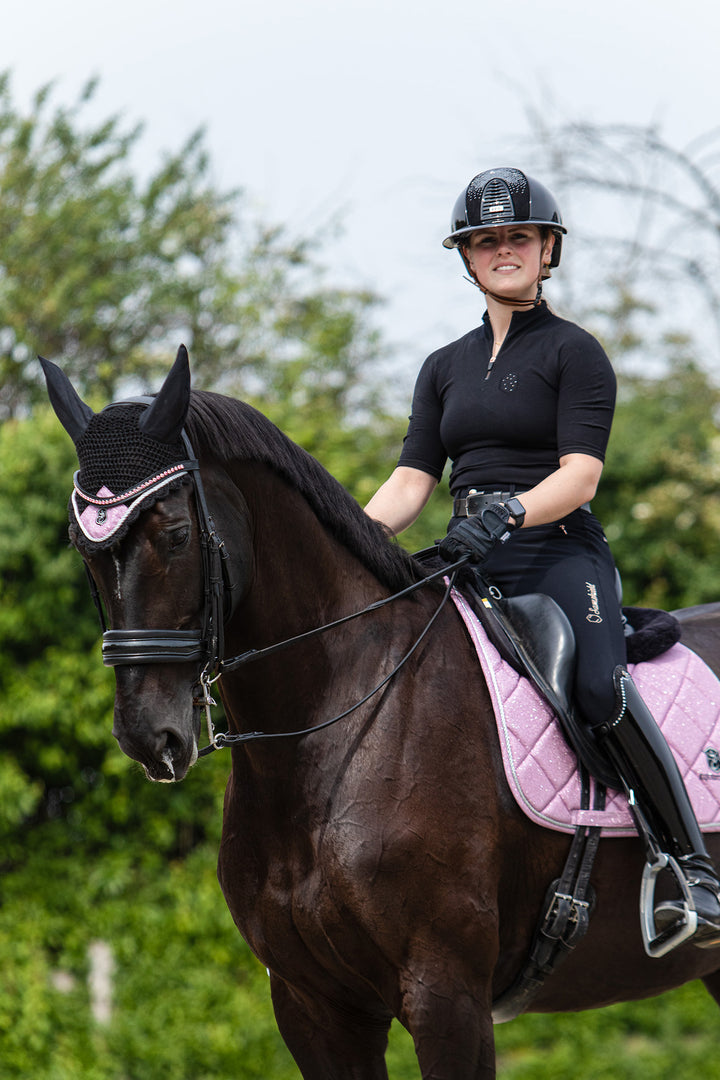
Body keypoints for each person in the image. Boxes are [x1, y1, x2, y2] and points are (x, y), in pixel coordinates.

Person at [365, 166, 720, 948]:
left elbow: (581, 474)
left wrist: (512, 511)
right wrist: (351, 537)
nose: (502, 250)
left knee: (598, 684)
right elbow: (411, 481)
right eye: (485, 240)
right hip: (467, 555)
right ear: (467, 257)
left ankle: (690, 871)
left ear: (547, 248)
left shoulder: (575, 352)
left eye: (517, 237)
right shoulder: (443, 366)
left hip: (557, 556)